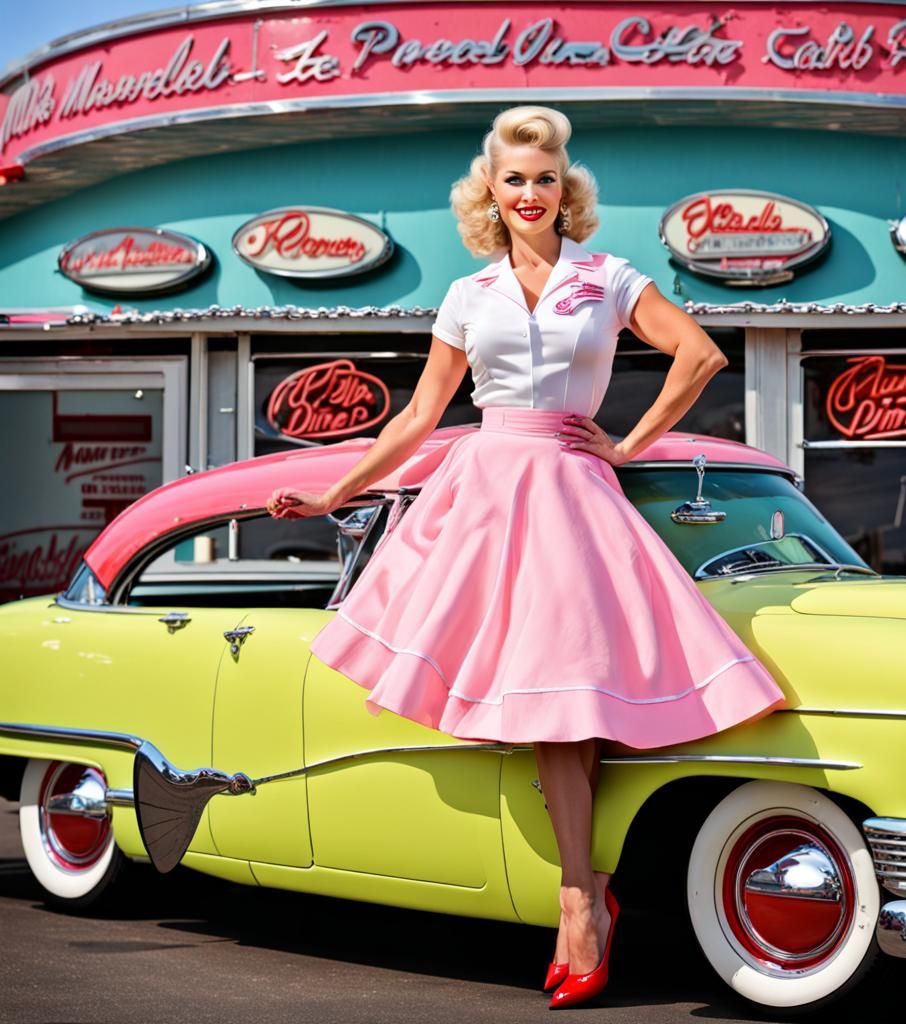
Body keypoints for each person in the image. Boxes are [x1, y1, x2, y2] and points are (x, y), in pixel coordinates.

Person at [265, 105, 787, 1009]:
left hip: (573, 494)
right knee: (548, 711)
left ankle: (581, 899)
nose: (531, 193)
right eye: (515, 179)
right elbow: (421, 414)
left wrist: (627, 445)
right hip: (482, 498)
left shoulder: (608, 276)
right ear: (491, 193)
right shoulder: (469, 295)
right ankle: (584, 895)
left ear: (565, 189)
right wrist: (334, 492)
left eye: (546, 178)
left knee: (562, 707)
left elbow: (698, 355)